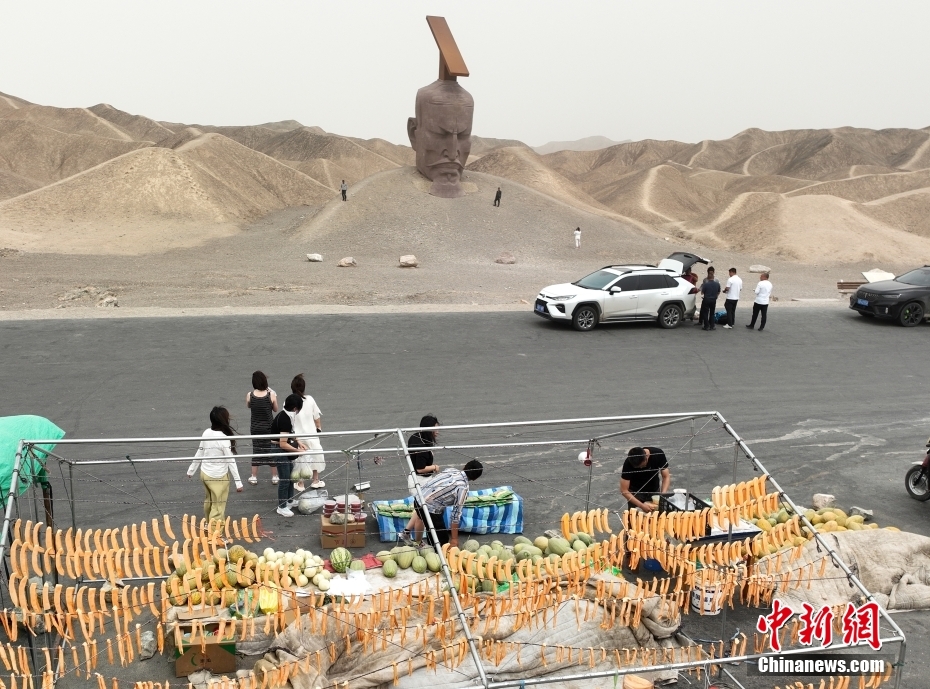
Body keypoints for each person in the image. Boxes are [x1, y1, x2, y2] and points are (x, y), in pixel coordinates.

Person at [187, 406, 243, 525]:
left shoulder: (206, 432)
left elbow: (200, 451)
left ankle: (208, 524)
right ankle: (215, 534)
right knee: (218, 508)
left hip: (205, 474)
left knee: (209, 502)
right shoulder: (223, 439)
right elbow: (231, 461)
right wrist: (238, 482)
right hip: (219, 477)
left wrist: (191, 470)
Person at [408, 460, 483, 548]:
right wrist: (454, 539)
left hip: (417, 499)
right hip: (429, 509)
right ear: (475, 478)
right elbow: (455, 516)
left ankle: (422, 544)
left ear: (464, 467)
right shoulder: (463, 488)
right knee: (441, 541)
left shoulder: (451, 470)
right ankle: (436, 554)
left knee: (432, 529)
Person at [400, 415, 442, 543]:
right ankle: (418, 543)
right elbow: (420, 468)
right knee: (422, 515)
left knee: (419, 509)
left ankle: (406, 532)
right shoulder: (422, 447)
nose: (438, 431)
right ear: (429, 430)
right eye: (435, 429)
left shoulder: (416, 436)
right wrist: (434, 467)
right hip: (419, 481)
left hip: (418, 479)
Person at [269, 394, 309, 517]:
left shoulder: (287, 415)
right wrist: (298, 451)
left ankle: (290, 500)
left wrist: (299, 442)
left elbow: (291, 433)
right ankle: (282, 506)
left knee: (291, 476)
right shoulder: (285, 419)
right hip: (279, 450)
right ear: (295, 408)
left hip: (282, 449)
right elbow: (282, 443)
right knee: (285, 479)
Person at [290, 374, 324, 491]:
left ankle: (300, 483)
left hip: (297, 436)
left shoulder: (289, 401)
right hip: (311, 434)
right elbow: (317, 416)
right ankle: (315, 480)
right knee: (315, 456)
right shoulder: (310, 399)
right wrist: (318, 428)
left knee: (300, 459)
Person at [246, 371, 278, 485]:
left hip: (255, 427)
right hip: (269, 427)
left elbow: (249, 405)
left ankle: (254, 477)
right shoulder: (271, 395)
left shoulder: (250, 395)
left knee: (256, 450)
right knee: (271, 450)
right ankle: (274, 476)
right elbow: (275, 409)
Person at [620, 447, 671, 513]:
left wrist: (662, 496)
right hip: (636, 494)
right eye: (638, 467)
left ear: (646, 457)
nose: (641, 468)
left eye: (642, 466)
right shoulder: (628, 463)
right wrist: (641, 505)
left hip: (654, 491)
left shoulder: (658, 454)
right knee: (635, 518)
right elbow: (624, 490)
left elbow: (666, 476)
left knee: (656, 517)